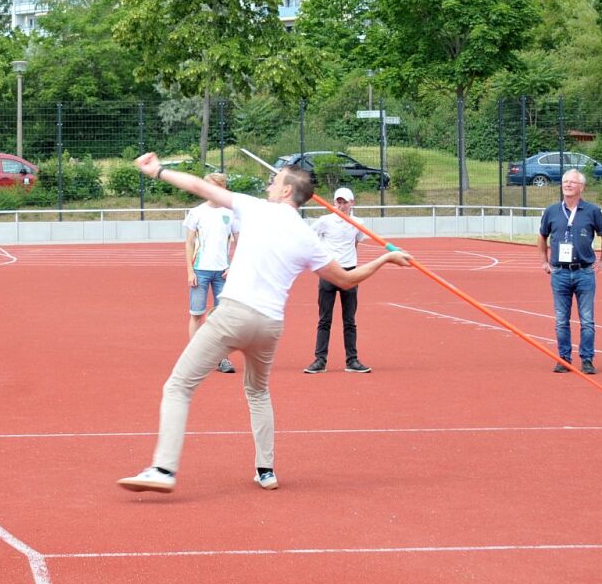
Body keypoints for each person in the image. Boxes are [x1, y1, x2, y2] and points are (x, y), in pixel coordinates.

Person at [119, 153, 410, 494]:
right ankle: (266, 470)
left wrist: (159, 171)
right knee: (257, 392)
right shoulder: (307, 237)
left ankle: (164, 468)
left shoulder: (255, 208)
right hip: (269, 326)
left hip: (233, 314)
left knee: (178, 387)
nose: (269, 185)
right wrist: (387, 258)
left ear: (287, 191)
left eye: (275, 181)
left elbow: (200, 186)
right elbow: (347, 280)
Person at [538, 168, 602, 375]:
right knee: (561, 320)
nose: (568, 185)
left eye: (572, 182)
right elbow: (542, 235)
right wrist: (543, 261)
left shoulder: (592, 211)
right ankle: (564, 358)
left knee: (587, 319)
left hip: (584, 272)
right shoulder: (552, 211)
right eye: (565, 182)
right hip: (560, 273)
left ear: (582, 187)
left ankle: (587, 359)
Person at [304, 187, 371, 374]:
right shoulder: (325, 221)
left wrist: (350, 260)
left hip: (350, 273)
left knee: (349, 320)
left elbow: (356, 241)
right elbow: (310, 237)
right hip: (328, 272)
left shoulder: (358, 223)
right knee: (324, 319)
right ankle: (320, 360)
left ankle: (352, 360)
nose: (341, 206)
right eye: (338, 202)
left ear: (352, 203)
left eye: (344, 202)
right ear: (334, 203)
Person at [183, 171, 239, 375]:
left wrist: (233, 266)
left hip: (222, 273)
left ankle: (222, 359)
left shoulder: (230, 212)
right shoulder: (197, 212)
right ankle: (194, 359)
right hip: (200, 270)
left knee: (221, 317)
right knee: (197, 315)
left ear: (222, 188)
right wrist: (190, 270)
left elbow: (240, 243)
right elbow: (189, 243)